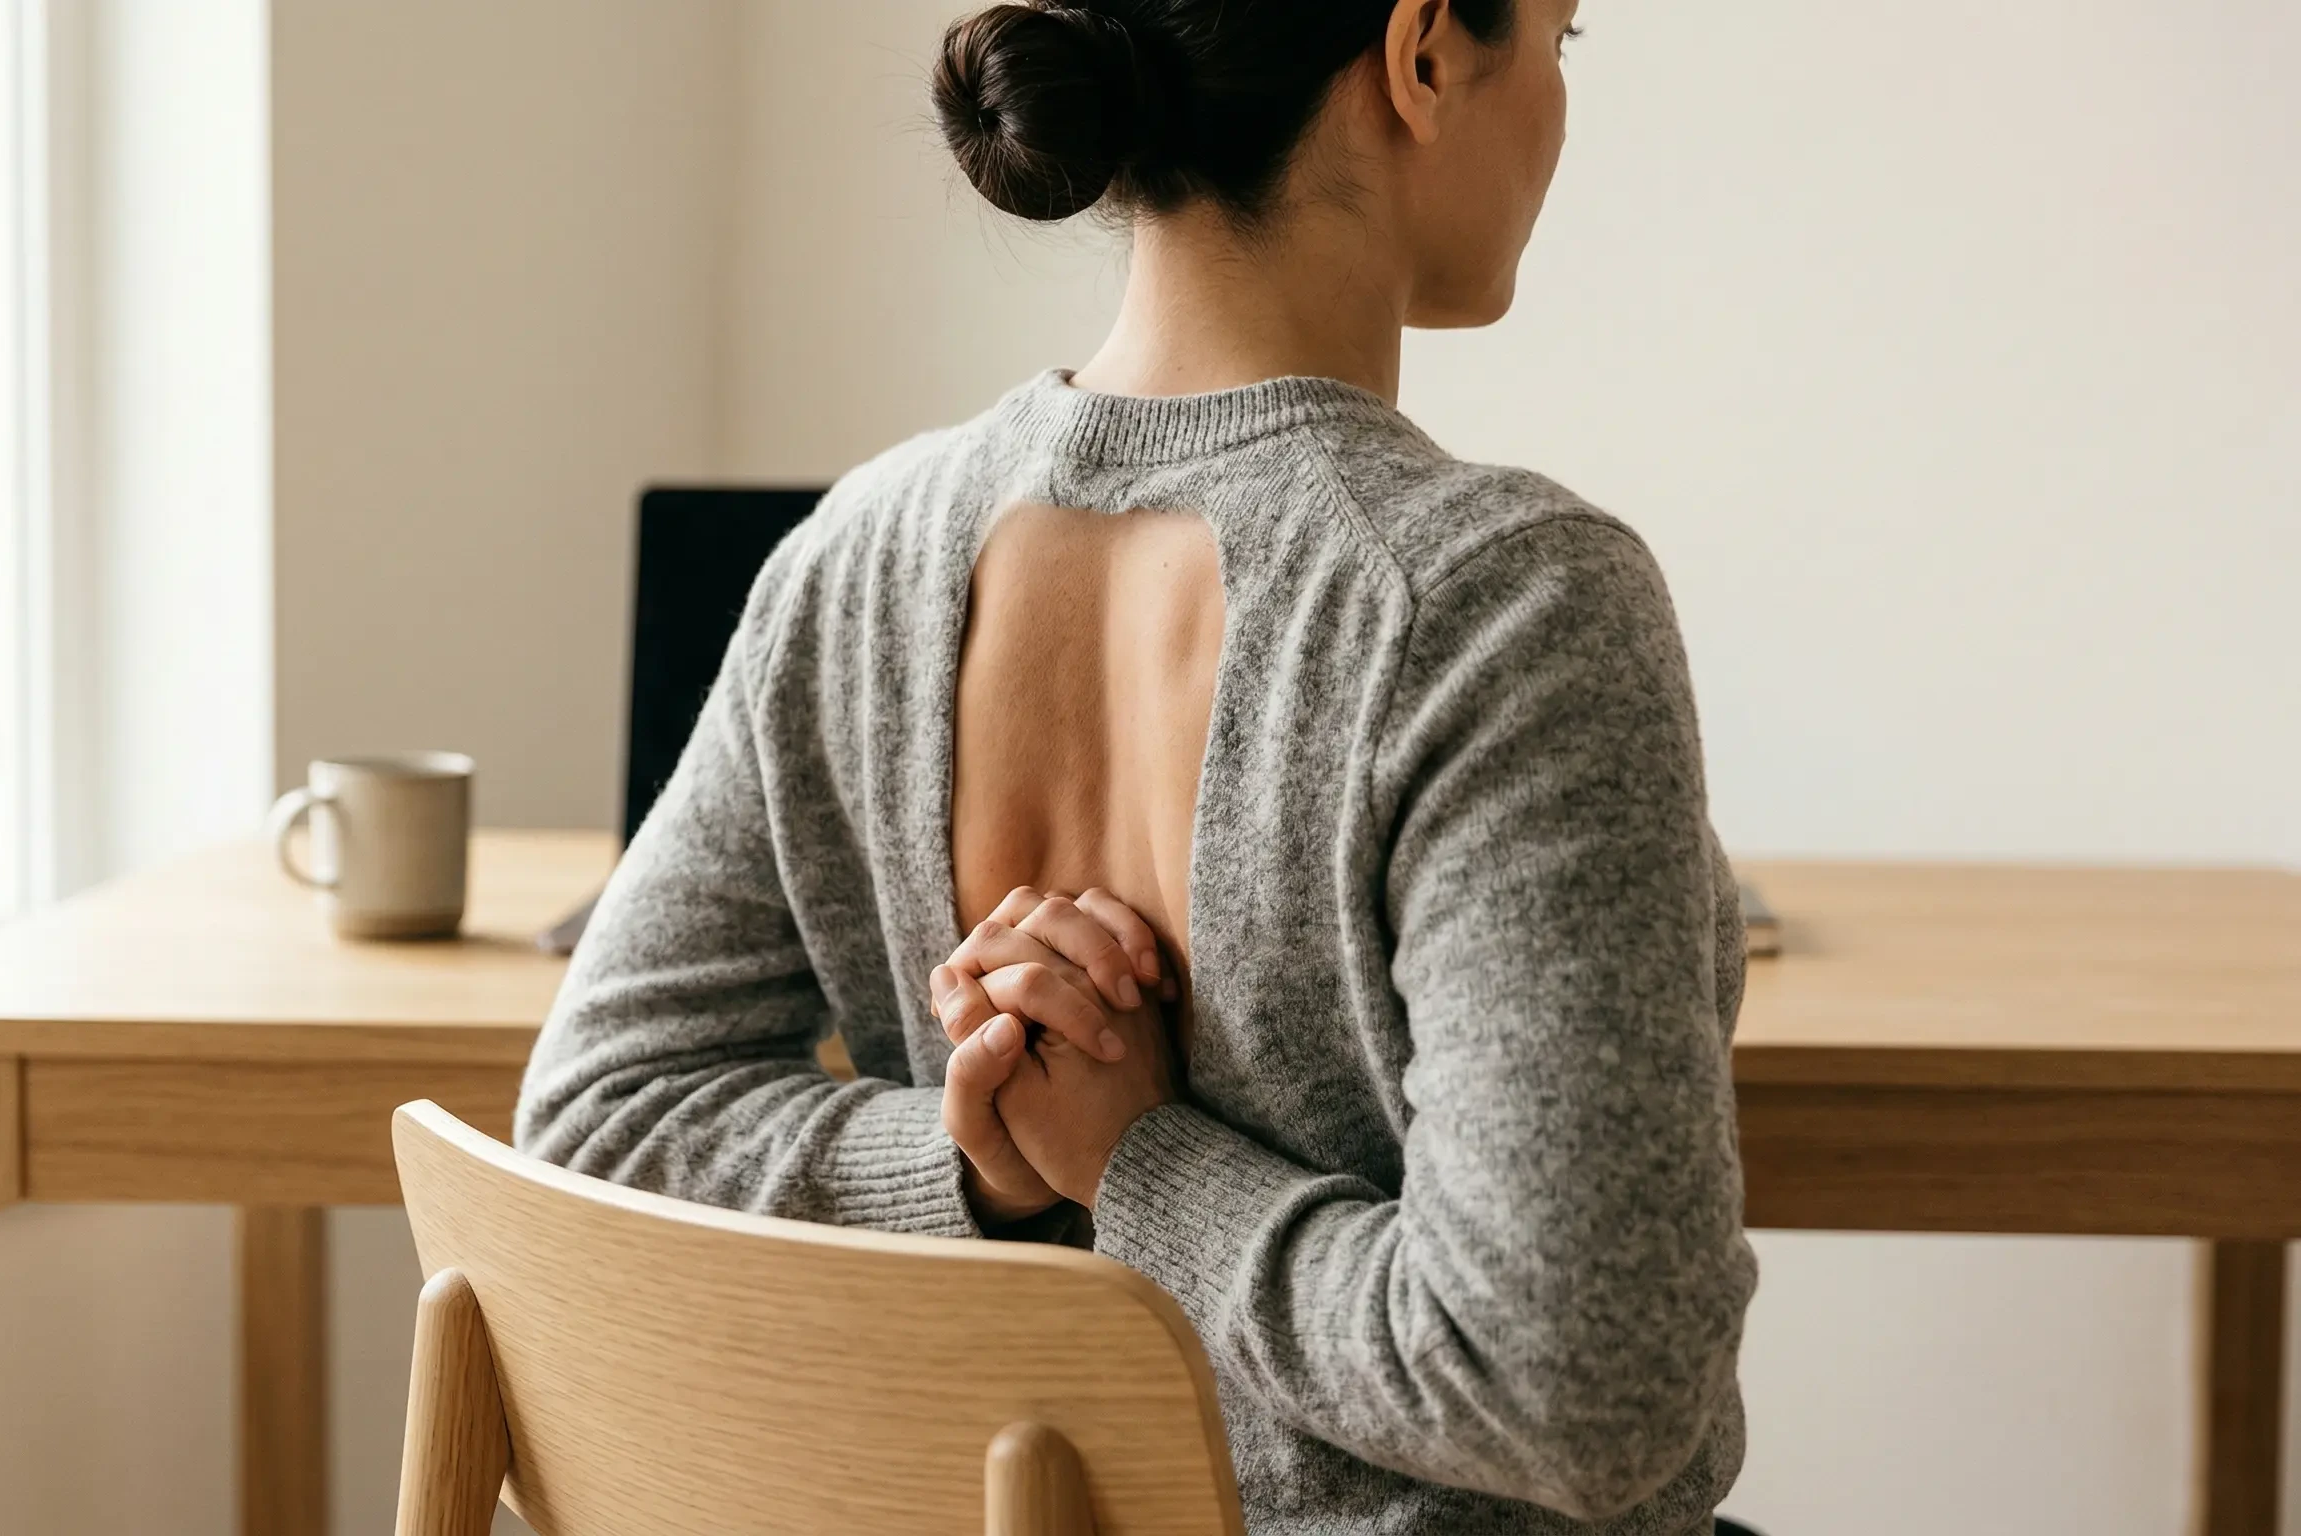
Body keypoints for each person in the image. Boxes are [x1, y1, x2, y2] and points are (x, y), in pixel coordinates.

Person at [516, 1, 1759, 1530]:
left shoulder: (857, 556)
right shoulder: (1499, 603)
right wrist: (1132, 1165)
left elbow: (601, 1120)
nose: (1564, 103)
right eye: (1565, 38)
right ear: (1424, 53)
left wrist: (995, 1168)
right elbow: (1585, 1395)